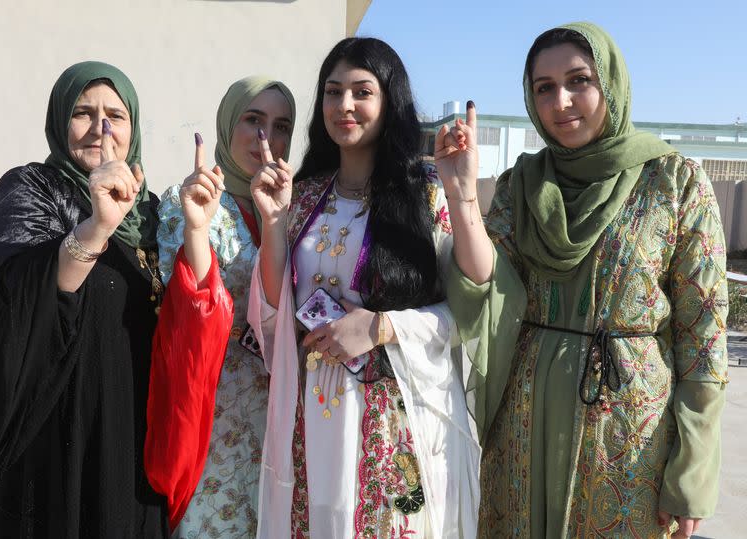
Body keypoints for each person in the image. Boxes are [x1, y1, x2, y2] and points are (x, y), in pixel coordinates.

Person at [438, 22, 728, 538]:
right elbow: (488, 290)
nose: (562, 101)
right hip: (524, 427)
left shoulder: (675, 180)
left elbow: (703, 337)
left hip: (627, 434)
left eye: (579, 80)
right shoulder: (520, 185)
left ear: (609, 84)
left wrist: (692, 472)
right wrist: (461, 196)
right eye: (543, 88)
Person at [248, 37, 479, 538]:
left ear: (388, 101)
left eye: (361, 92)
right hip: (313, 410)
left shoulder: (426, 191)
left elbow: (467, 308)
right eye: (333, 92)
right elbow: (274, 308)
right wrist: (273, 223)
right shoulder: (305, 193)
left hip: (392, 413)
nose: (344, 106)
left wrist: (382, 326)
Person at [0, 61, 178, 537]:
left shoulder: (151, 211)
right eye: (83, 112)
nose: (101, 128)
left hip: (130, 435)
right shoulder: (28, 188)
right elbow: (24, 286)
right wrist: (97, 225)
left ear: (133, 126)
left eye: (115, 115)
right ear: (61, 120)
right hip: (49, 432)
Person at [144, 76, 296, 537]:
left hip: (281, 415)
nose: (265, 136)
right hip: (215, 412)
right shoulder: (191, 199)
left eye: (281, 125)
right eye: (253, 119)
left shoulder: (298, 204)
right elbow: (185, 301)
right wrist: (196, 230)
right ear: (228, 124)